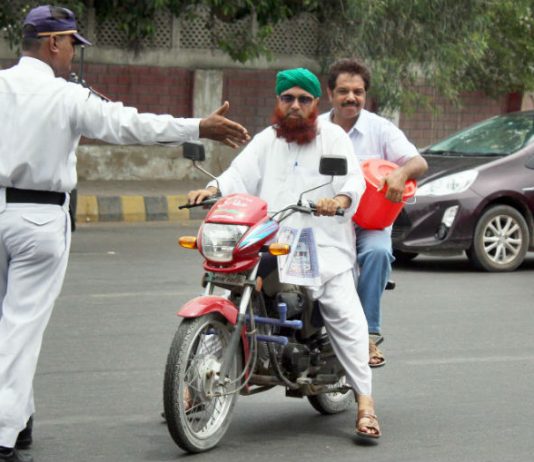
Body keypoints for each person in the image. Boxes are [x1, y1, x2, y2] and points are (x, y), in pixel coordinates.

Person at [0, 5, 250, 462]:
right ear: (53, 42)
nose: (73, 55)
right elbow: (131, 124)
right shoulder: (65, 96)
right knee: (20, 328)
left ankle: (20, 421)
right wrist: (198, 126)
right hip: (39, 219)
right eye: (72, 44)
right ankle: (3, 435)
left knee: (6, 326)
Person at [188, 68, 381, 440]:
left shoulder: (334, 137)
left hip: (321, 243)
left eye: (303, 100)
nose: (295, 106)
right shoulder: (268, 140)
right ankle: (190, 383)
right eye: (287, 98)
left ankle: (365, 402)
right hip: (270, 237)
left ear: (315, 104)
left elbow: (354, 180)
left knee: (343, 311)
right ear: (278, 101)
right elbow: (237, 174)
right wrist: (211, 188)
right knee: (228, 287)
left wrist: (339, 199)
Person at [320, 58, 428, 367]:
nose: (351, 98)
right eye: (343, 91)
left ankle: (367, 335)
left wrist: (400, 174)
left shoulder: (380, 129)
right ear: (330, 94)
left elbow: (418, 163)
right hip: (323, 221)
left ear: (365, 95)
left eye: (358, 92)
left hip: (369, 222)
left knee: (379, 253)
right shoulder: (315, 130)